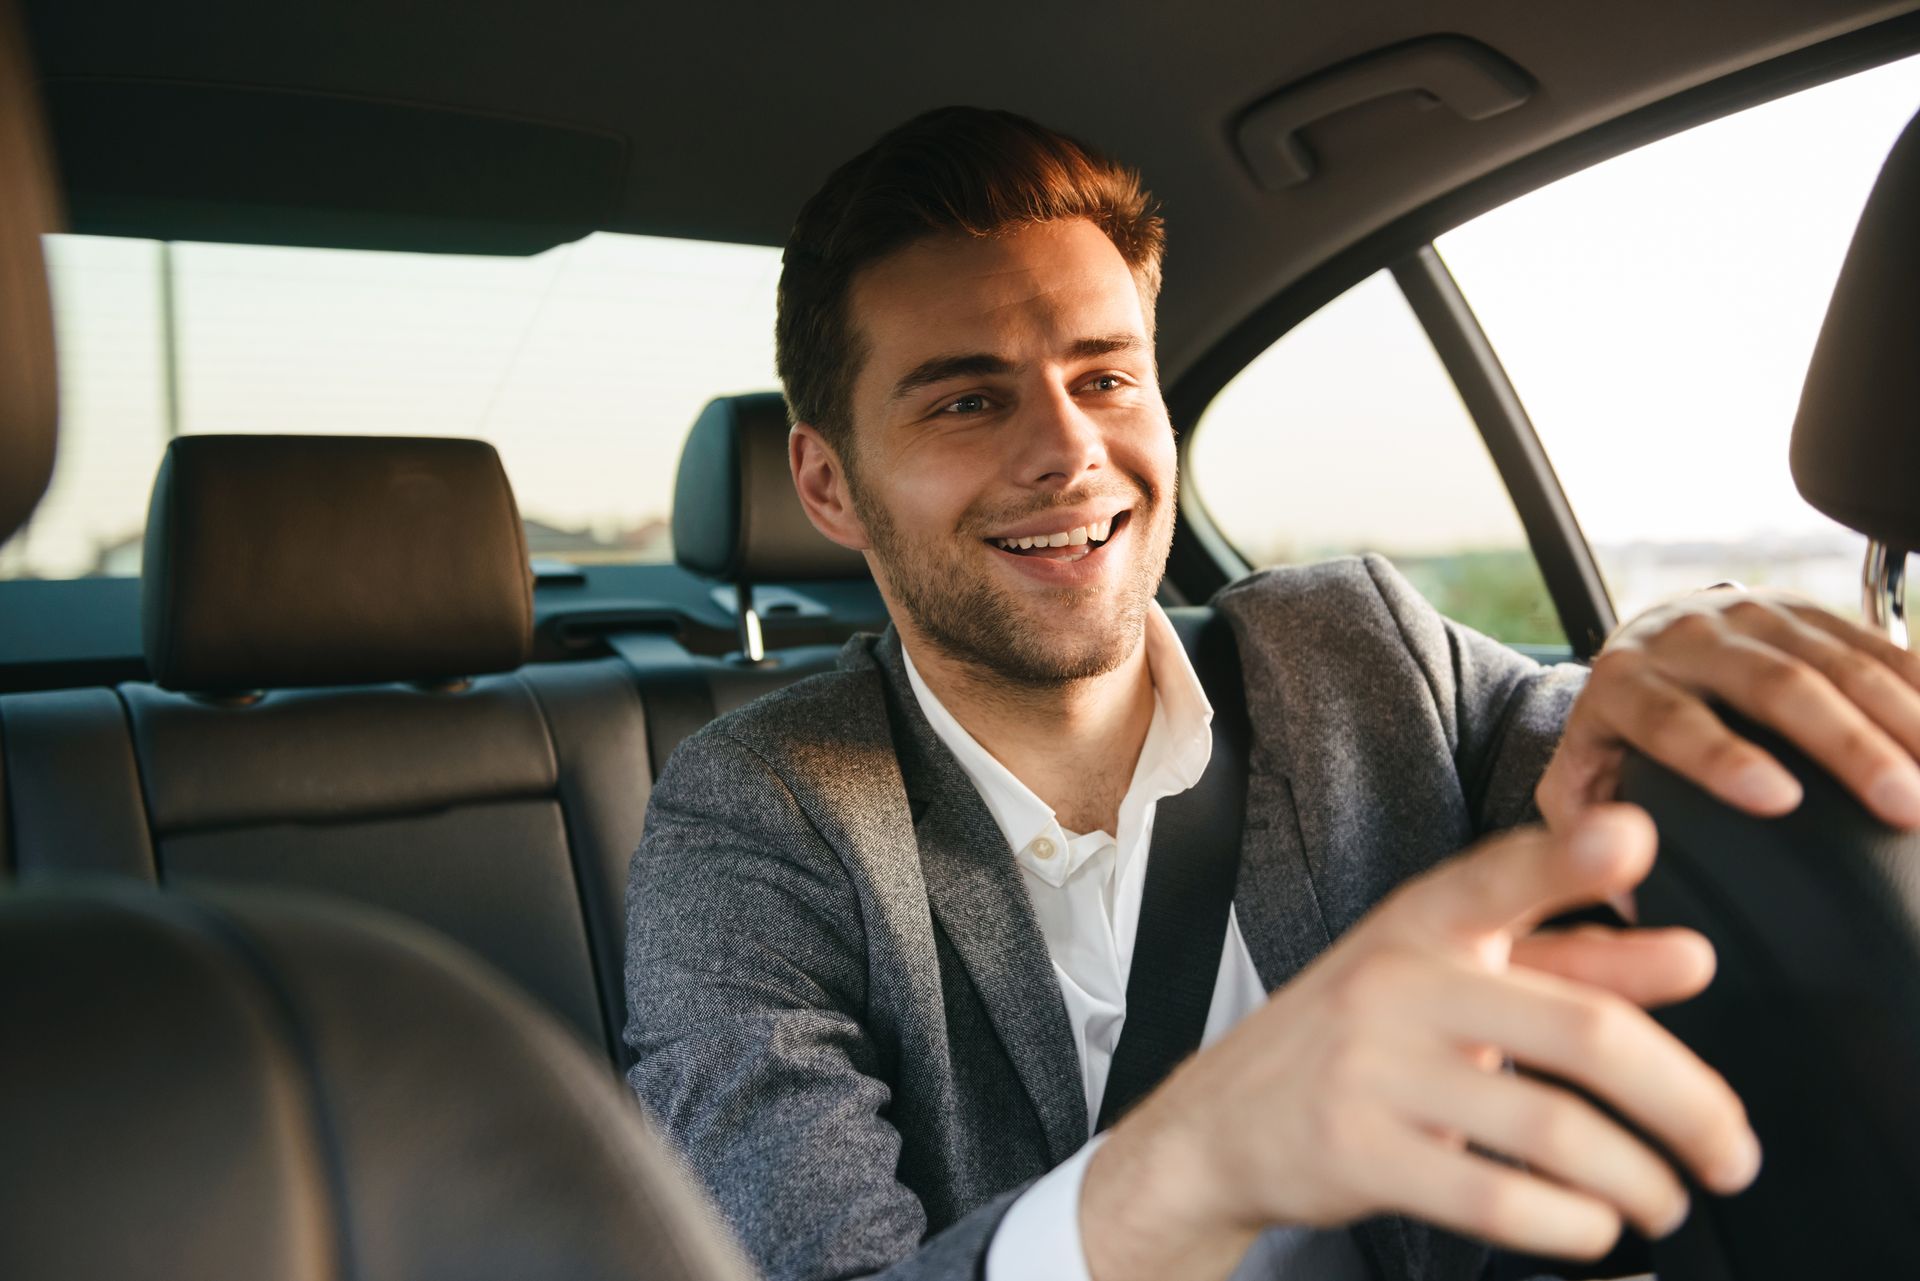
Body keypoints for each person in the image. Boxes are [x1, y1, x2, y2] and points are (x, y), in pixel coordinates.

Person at [623, 106, 1920, 1281]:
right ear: (829, 481)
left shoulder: (1355, 653)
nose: (1071, 451)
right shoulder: (754, 815)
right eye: (968, 400)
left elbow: (1606, 761)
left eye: (1106, 376)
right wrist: (1200, 1157)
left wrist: (1673, 653)